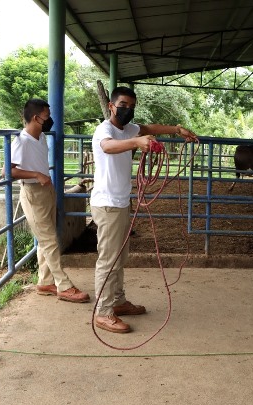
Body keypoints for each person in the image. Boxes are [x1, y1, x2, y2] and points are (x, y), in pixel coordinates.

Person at [91, 86, 198, 333]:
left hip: (120, 202)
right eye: (123, 105)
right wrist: (136, 142)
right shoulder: (104, 130)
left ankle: (117, 301)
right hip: (107, 204)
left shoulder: (129, 129)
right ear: (111, 106)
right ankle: (103, 312)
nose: (127, 110)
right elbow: (107, 146)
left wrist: (177, 130)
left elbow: (149, 129)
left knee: (120, 255)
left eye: (131, 106)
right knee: (108, 260)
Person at [7, 98, 90, 303]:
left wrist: (43, 178)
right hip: (33, 193)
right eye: (47, 115)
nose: (50, 119)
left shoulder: (41, 136)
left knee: (47, 238)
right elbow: (7, 171)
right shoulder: (21, 141)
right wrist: (36, 174)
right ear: (36, 118)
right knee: (50, 240)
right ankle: (64, 285)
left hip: (45, 190)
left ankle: (45, 281)